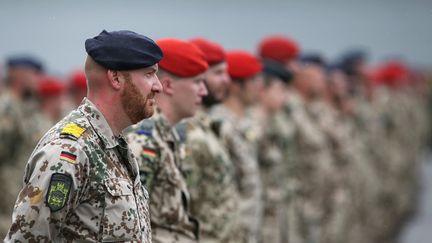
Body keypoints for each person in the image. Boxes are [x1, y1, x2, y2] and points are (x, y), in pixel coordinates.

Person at [4, 29, 163, 242]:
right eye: (149, 74)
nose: (158, 86)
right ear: (115, 78)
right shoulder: (69, 150)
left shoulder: (115, 146)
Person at [126, 38, 208, 243]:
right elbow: (131, 225)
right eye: (197, 82)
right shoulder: (145, 143)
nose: (204, 91)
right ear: (169, 85)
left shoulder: (169, 138)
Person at [177, 37, 243, 242]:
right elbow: (184, 208)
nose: (226, 80)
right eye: (218, 73)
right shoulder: (187, 133)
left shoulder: (209, 126)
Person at [210, 50, 264, 243]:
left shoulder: (249, 121)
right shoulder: (218, 124)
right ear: (235, 86)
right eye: (253, 81)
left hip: (251, 229)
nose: (259, 87)